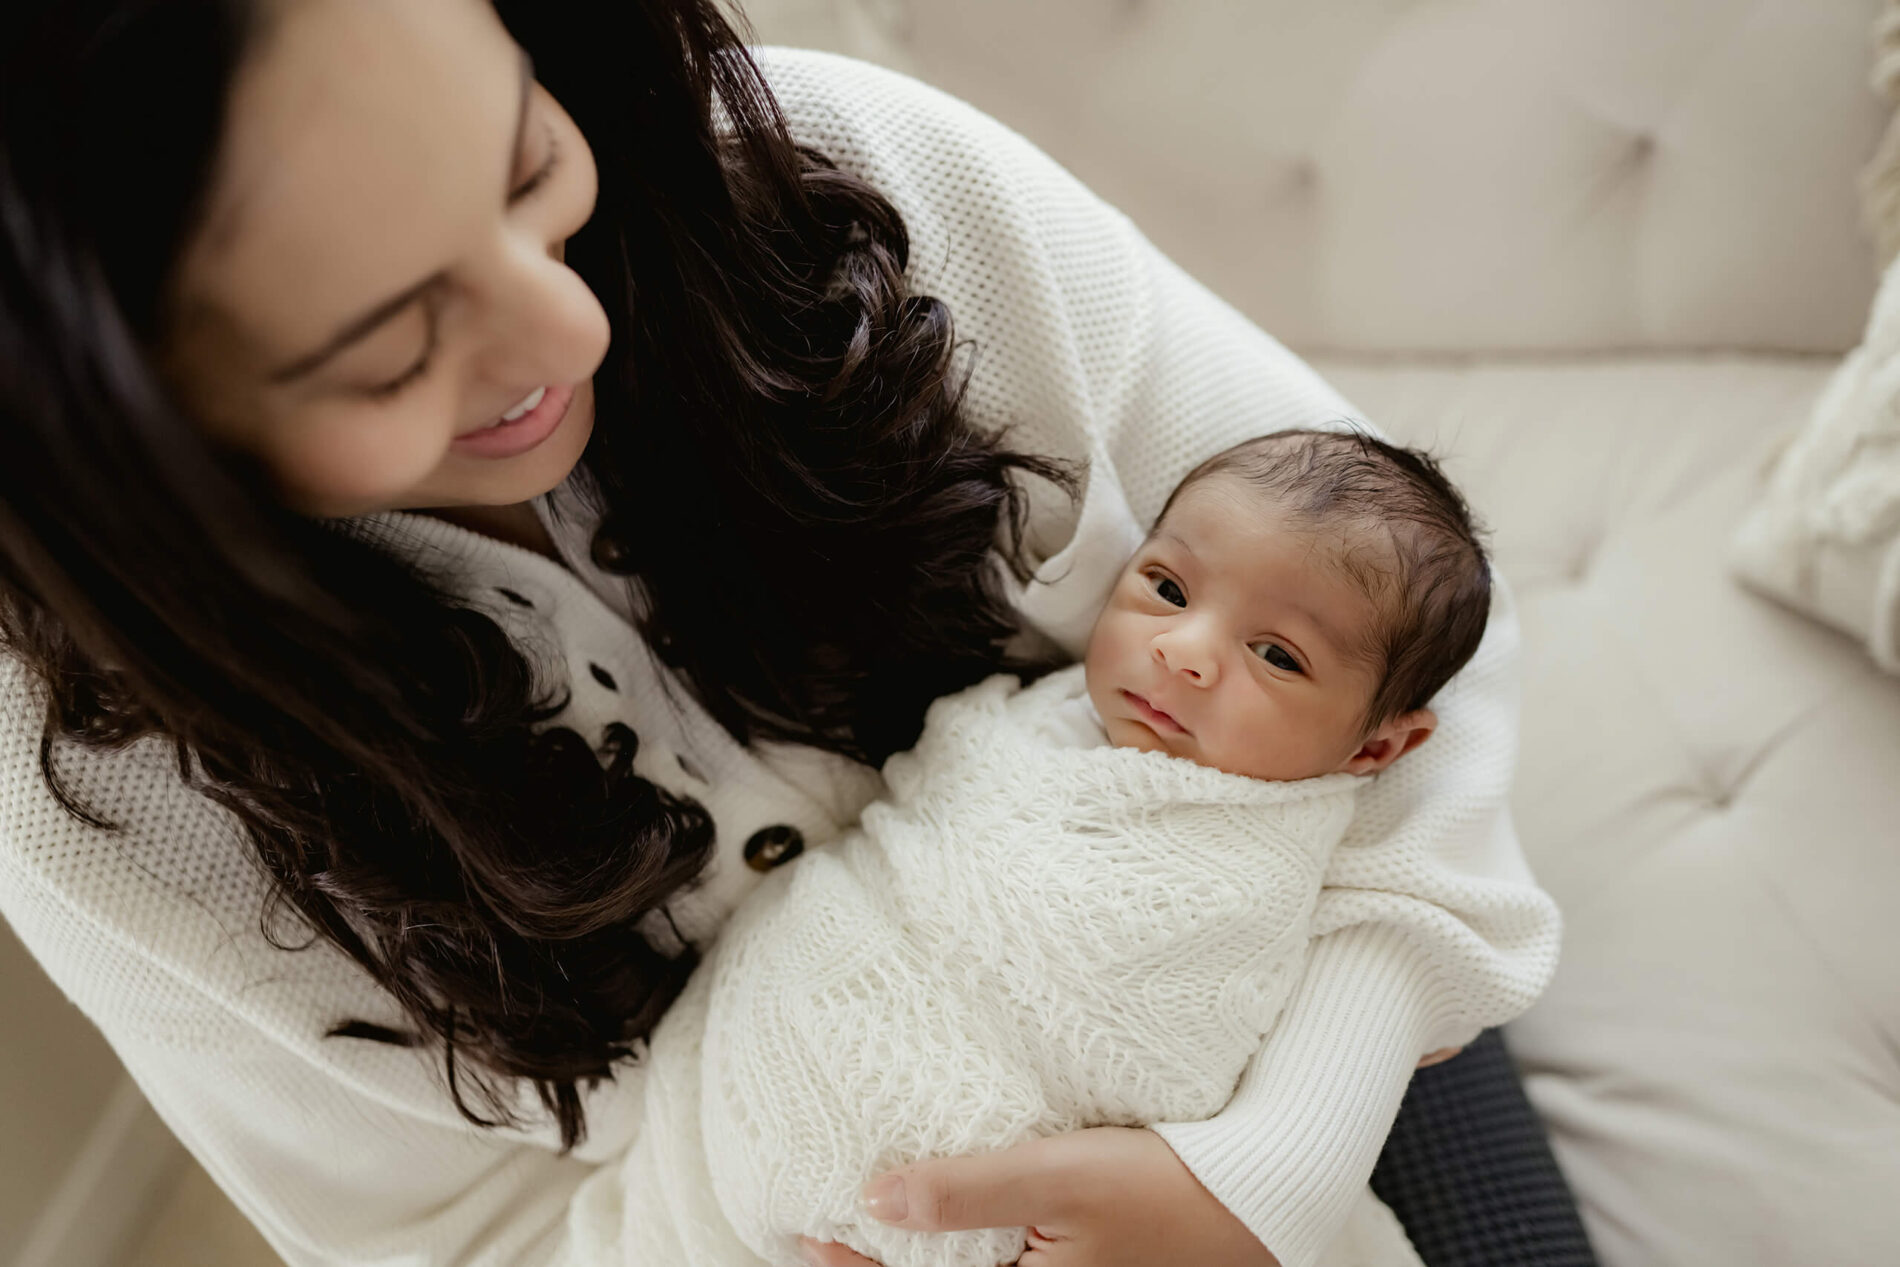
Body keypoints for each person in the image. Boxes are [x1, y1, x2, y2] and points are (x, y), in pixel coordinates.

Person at [0, 3, 1570, 1266]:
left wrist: (1275, 1157)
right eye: (388, 346)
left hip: (1285, 974)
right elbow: (452, 1234)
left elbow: (1411, 624)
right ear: (129, 450)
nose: (570, 331)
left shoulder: (862, 187)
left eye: (527, 162)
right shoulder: (94, 788)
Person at [576, 427, 1548, 1267]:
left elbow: (1177, 1031)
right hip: (749, 1077)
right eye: (1166, 586)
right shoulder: (1025, 723)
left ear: (1377, 745)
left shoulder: (1265, 861)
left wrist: (1265, 1175)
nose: (1185, 649)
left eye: (1277, 654)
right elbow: (918, 820)